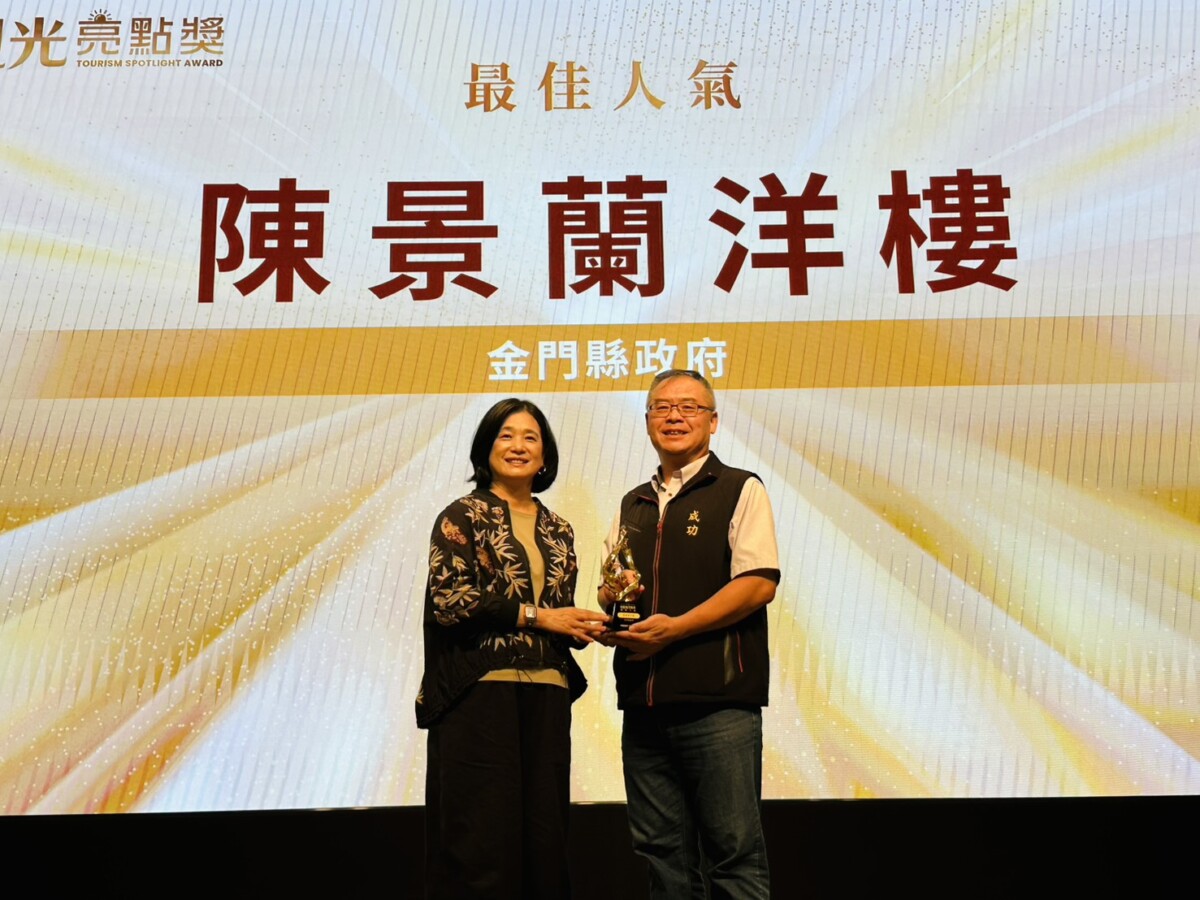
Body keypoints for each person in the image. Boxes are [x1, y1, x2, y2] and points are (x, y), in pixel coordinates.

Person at [599, 369, 780, 900]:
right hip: (644, 704)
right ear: (647, 421)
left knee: (733, 855)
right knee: (662, 858)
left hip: (718, 705)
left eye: (689, 407)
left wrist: (675, 630)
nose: (674, 416)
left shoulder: (739, 488)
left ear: (713, 421)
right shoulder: (633, 502)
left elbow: (758, 583)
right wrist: (611, 603)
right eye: (662, 407)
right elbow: (614, 586)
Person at [417, 398, 607, 900]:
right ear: (486, 448)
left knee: (545, 841)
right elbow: (451, 600)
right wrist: (539, 616)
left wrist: (585, 625)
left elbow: (556, 612)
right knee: (481, 843)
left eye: (530, 437)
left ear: (545, 455)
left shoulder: (559, 529)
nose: (518, 446)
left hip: (548, 693)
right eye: (506, 435)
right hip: (479, 694)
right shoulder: (461, 515)